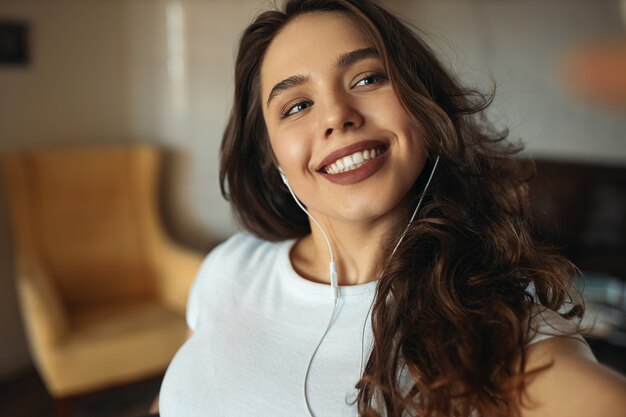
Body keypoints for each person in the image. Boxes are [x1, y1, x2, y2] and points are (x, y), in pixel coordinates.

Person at [157, 1, 626, 416]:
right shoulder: (229, 268)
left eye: (367, 78)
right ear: (272, 155)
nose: (337, 115)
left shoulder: (497, 324)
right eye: (297, 105)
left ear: (423, 108)